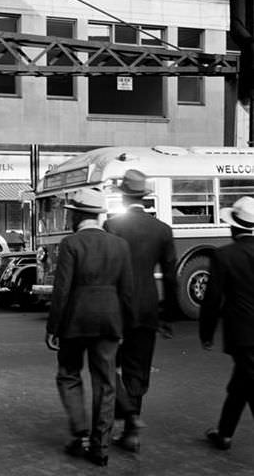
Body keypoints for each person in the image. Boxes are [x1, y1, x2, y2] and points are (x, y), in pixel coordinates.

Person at [46, 187, 133, 467]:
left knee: (69, 374)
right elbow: (127, 292)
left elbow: (61, 290)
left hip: (75, 321)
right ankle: (101, 447)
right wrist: (125, 326)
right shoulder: (120, 245)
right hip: (109, 321)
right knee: (106, 383)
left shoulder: (71, 244)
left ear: (78, 216)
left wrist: (53, 327)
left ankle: (80, 433)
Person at [102, 169, 178, 452]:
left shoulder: (112, 226)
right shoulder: (162, 230)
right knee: (138, 368)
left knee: (107, 362)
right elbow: (170, 276)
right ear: (144, 197)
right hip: (147, 307)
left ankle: (127, 416)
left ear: (122, 194)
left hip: (117, 306)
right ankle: (132, 431)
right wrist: (167, 314)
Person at [199, 196, 254, 451]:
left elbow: (212, 299)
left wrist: (206, 333)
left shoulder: (224, 255)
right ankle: (224, 433)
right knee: (240, 384)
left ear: (234, 227)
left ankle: (224, 434)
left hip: (242, 333)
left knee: (248, 383)